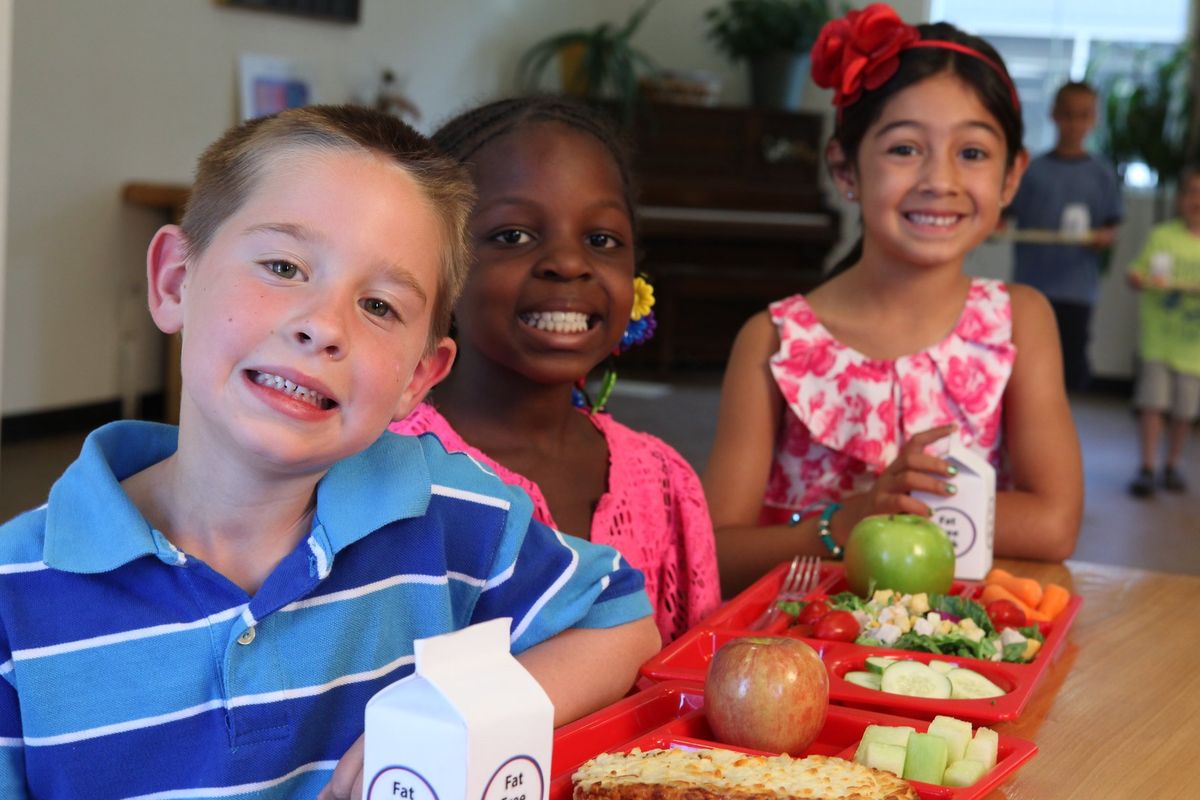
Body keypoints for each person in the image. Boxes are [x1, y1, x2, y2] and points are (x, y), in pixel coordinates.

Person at [0, 106, 659, 799]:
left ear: (417, 378)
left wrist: (452, 718)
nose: (323, 326)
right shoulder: (16, 596)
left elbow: (621, 621)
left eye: (379, 306)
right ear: (174, 282)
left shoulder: (448, 514)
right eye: (283, 266)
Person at [703, 4, 1084, 596]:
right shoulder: (775, 340)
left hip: (956, 652)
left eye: (974, 153)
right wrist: (846, 521)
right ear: (845, 168)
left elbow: (1056, 524)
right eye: (905, 149)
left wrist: (901, 505)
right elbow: (716, 553)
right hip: (806, 642)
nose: (940, 179)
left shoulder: (1019, 321)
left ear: (1011, 176)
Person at [389, 96, 720, 642]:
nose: (568, 263)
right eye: (513, 235)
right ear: (438, 263)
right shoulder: (390, 473)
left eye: (601, 240)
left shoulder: (665, 482)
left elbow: (694, 672)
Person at [1005, 81, 1123, 392]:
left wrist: (1104, 237)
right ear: (1054, 115)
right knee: (1024, 359)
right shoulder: (1033, 170)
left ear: (1093, 119)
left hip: (1077, 289)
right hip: (1032, 283)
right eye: (1068, 115)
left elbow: (1112, 224)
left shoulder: (1102, 172)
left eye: (1083, 115)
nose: (1074, 123)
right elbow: (1005, 217)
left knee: (1069, 365)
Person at [1126, 167, 1200, 497]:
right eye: (1191, 192)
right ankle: (1147, 465)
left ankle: (1172, 464)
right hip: (1158, 341)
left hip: (1193, 348)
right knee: (1153, 404)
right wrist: (1139, 280)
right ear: (1180, 199)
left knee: (1184, 411)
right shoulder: (1162, 236)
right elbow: (1137, 272)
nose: (1196, 200)